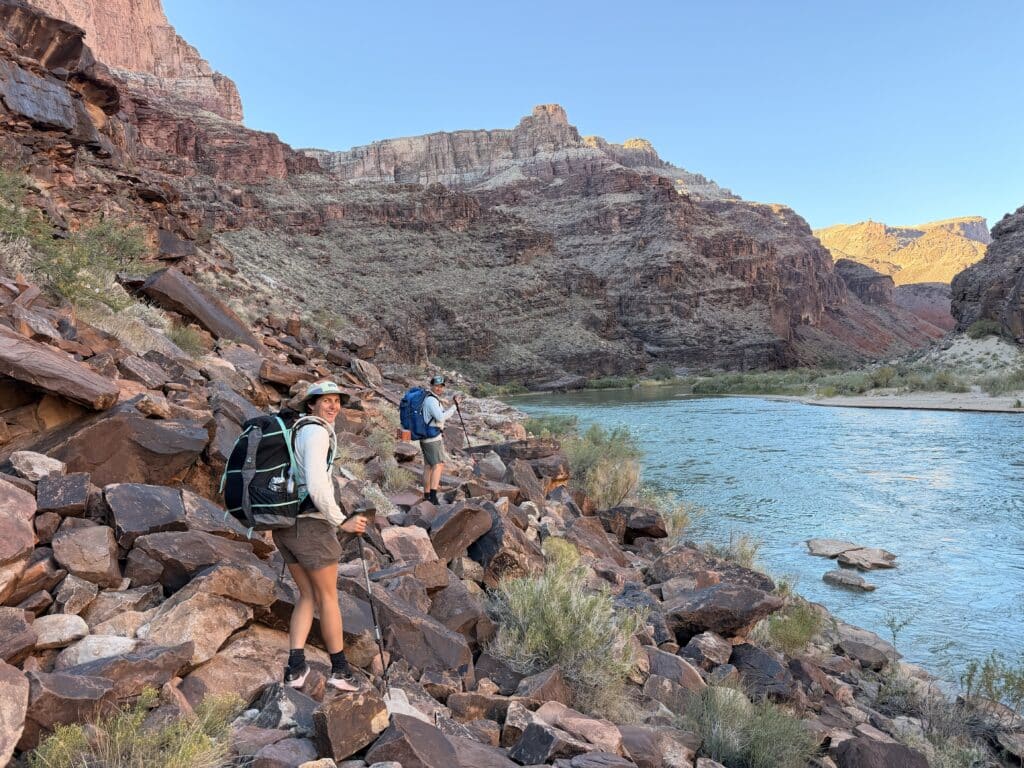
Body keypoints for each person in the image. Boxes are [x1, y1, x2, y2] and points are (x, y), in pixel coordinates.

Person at [273, 380, 368, 691]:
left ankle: (295, 668)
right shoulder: (315, 433)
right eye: (325, 400)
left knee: (308, 595)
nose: (333, 406)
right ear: (310, 405)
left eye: (336, 400)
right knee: (328, 598)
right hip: (311, 526)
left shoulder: (297, 430)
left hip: (286, 524)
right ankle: (340, 669)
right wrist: (341, 522)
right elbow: (316, 484)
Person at [420, 374, 460, 505]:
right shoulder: (431, 400)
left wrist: (445, 403)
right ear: (432, 386)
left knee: (428, 466)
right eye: (436, 386)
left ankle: (426, 495)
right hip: (432, 437)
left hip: (426, 436)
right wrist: (454, 407)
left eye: (441, 386)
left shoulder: (430, 398)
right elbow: (440, 417)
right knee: (438, 465)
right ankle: (433, 497)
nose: (438, 388)